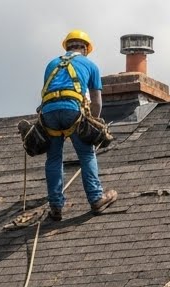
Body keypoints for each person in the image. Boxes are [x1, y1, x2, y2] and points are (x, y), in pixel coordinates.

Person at [39, 29, 117, 221]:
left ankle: (56, 207)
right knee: (86, 153)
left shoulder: (51, 64)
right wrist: (94, 125)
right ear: (85, 49)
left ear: (67, 47)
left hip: (48, 112)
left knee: (54, 158)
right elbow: (97, 102)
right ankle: (96, 198)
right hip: (72, 110)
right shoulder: (90, 65)